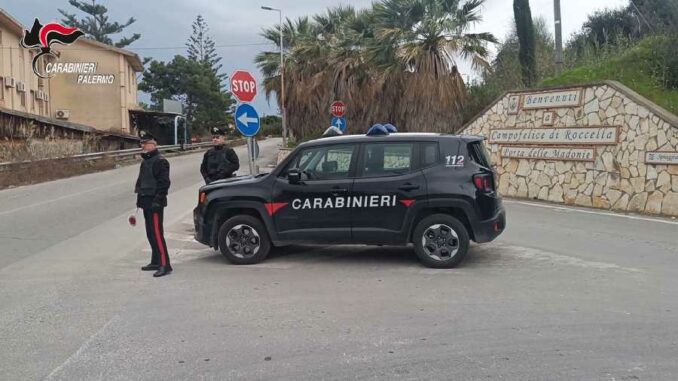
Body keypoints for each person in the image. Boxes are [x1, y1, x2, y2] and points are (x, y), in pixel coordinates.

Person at [134, 131, 172, 277]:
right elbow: (141, 182)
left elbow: (164, 183)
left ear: (153, 144)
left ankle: (165, 264)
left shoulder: (160, 161)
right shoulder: (146, 161)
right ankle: (155, 261)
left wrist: (158, 200)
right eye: (141, 143)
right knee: (150, 233)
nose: (142, 145)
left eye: (145, 143)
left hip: (155, 202)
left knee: (157, 233)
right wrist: (139, 200)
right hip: (146, 200)